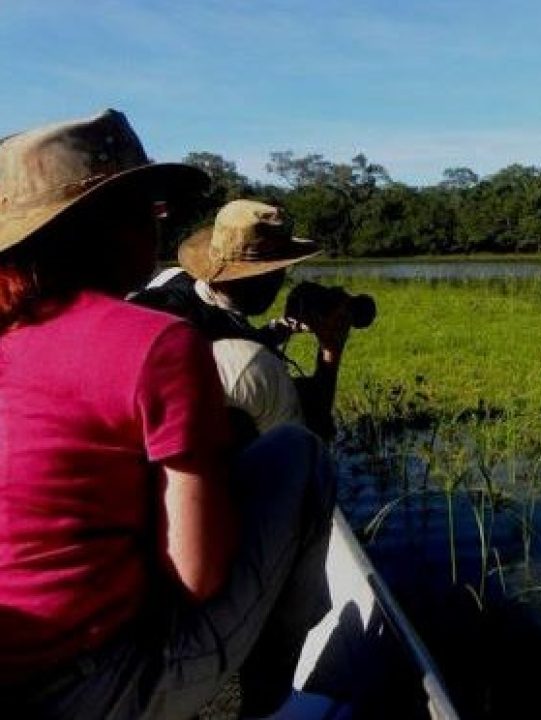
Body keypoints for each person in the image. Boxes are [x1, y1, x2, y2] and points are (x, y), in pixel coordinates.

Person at [0, 109, 336, 719]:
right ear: (111, 224)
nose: (159, 225)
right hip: (85, 688)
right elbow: (198, 578)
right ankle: (272, 707)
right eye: (149, 209)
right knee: (301, 456)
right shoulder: (153, 339)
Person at [134, 199, 352, 441]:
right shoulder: (248, 354)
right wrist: (331, 349)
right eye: (279, 271)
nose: (281, 280)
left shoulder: (169, 281)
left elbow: (216, 318)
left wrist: (274, 331)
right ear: (263, 277)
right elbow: (312, 431)